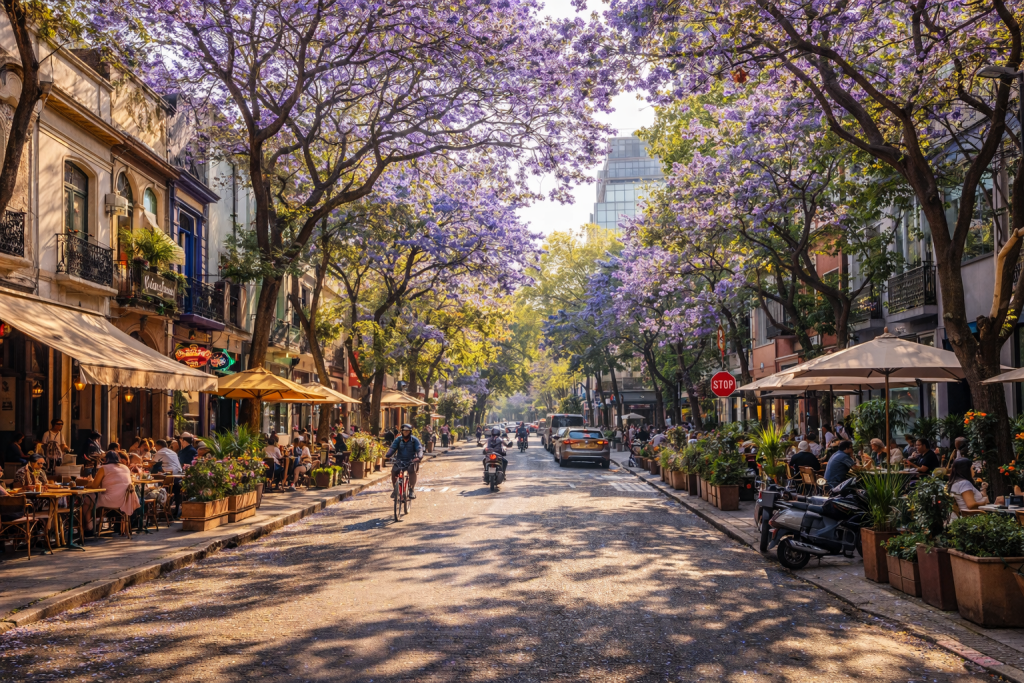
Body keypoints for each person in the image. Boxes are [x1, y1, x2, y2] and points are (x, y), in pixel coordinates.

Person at [85, 451, 141, 532]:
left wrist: (88, 483)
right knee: (93, 498)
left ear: (106, 459)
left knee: (86, 499)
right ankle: (94, 522)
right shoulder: (125, 468)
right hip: (124, 501)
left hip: (109, 500)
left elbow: (94, 486)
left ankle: (89, 526)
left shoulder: (103, 468)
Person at [387, 424, 423, 499]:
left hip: (411, 460)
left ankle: (411, 490)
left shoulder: (414, 440)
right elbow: (393, 448)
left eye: (407, 431)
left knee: (412, 471)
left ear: (410, 432)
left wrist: (419, 457)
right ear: (402, 431)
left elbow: (419, 449)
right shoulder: (398, 439)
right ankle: (395, 489)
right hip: (399, 460)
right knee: (394, 471)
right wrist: (388, 454)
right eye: (404, 431)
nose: (405, 433)